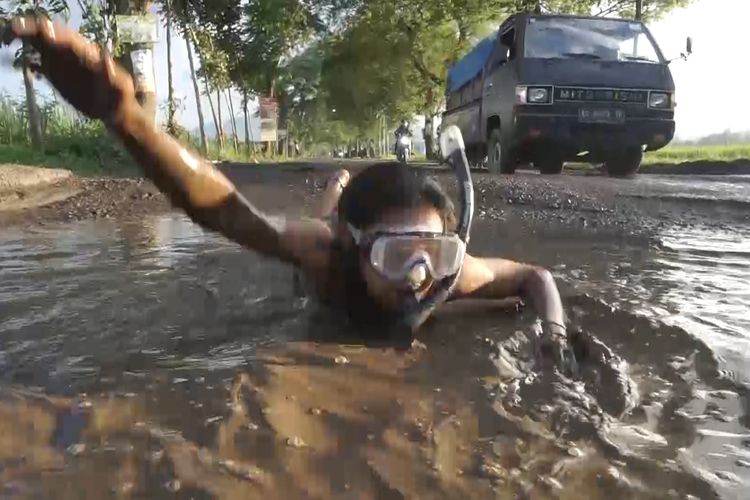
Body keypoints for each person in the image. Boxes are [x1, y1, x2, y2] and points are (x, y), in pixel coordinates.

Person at [1, 18, 573, 368]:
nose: (421, 277)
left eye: (434, 253)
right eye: (397, 256)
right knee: (309, 239)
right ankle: (333, 193)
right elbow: (225, 212)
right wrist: (128, 119)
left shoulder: (450, 274)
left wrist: (554, 337)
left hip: (346, 233)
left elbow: (535, 277)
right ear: (355, 248)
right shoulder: (328, 255)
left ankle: (337, 190)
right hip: (321, 252)